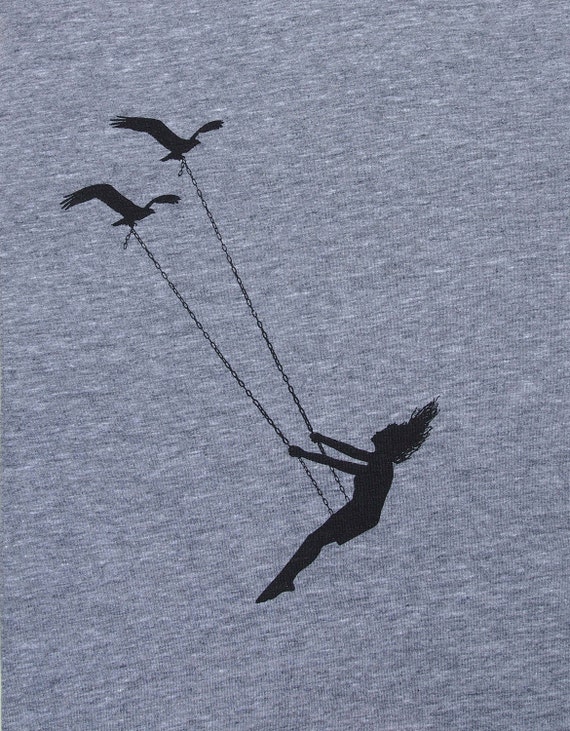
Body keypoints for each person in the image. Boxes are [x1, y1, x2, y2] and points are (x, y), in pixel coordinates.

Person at [256, 399, 439, 603]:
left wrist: (305, 454)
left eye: (385, 431)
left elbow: (340, 464)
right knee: (315, 540)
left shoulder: (381, 465)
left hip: (361, 515)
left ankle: (286, 579)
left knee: (315, 540)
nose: (379, 431)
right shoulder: (379, 459)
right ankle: (286, 579)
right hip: (361, 512)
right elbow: (350, 451)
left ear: (388, 441)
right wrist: (322, 439)